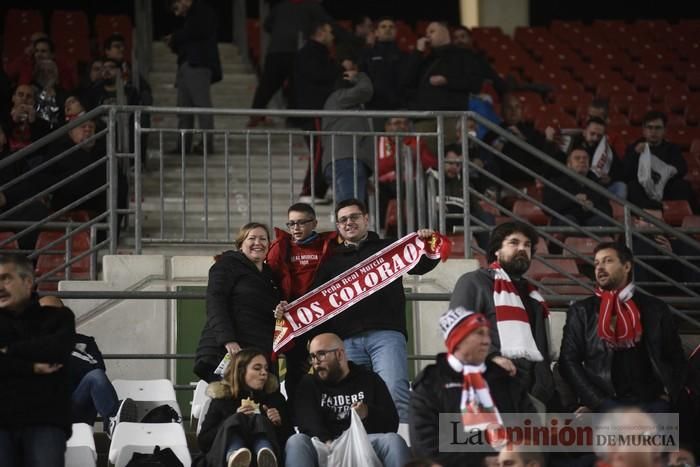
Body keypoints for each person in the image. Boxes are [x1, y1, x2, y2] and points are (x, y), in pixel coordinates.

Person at [309, 198, 440, 422]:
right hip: (347, 341)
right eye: (342, 220)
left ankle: (402, 451)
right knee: (356, 400)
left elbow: (422, 264)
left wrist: (430, 242)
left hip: (386, 335)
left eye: (354, 217)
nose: (348, 223)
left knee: (394, 391)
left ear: (366, 219)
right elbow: (316, 302)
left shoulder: (389, 248)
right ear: (338, 227)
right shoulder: (330, 261)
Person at [558, 242, 687, 413]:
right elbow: (568, 360)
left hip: (652, 403)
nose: (600, 268)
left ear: (626, 266)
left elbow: (676, 356)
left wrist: (668, 395)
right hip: (605, 402)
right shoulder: (581, 311)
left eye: (607, 261)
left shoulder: (655, 308)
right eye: (596, 263)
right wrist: (597, 402)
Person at [448, 221, 555, 413]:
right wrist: (491, 359)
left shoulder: (534, 298)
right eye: (514, 243)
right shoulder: (474, 282)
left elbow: (542, 352)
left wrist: (543, 389)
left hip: (530, 397)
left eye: (527, 245)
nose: (522, 248)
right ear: (496, 250)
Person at [284, 333, 410, 467]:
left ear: (339, 354)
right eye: (312, 356)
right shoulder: (308, 383)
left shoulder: (369, 379)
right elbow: (306, 422)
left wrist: (367, 413)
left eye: (321, 354)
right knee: (296, 441)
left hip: (362, 444)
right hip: (324, 446)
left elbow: (391, 422)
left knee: (394, 441)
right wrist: (327, 442)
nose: (315, 362)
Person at [0, 254, 76, 467]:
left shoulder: (58, 318)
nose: (0, 287)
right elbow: (45, 351)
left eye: (6, 278)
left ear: (27, 282)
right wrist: (31, 366)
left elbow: (56, 351)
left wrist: (9, 351)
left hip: (45, 420)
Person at [266, 203, 337, 416]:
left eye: (301, 223)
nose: (295, 228)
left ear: (314, 223)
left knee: (327, 369)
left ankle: (330, 417)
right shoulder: (281, 248)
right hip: (294, 322)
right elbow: (269, 281)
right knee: (296, 373)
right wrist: (278, 304)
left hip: (324, 320)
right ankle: (298, 419)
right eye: (291, 223)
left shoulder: (329, 245)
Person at [410, 307, 500, 467]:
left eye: (488, 333)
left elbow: (528, 428)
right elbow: (425, 447)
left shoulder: (501, 377)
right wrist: (481, 462)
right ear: (458, 339)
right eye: (479, 333)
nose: (487, 340)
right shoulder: (429, 384)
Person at [194, 223, 281, 382]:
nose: (258, 243)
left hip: (258, 352)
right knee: (229, 400)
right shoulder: (226, 265)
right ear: (241, 244)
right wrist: (228, 340)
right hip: (227, 351)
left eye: (263, 239)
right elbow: (215, 304)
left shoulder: (271, 275)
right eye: (252, 238)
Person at [198, 348, 292, 467]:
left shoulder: (274, 399)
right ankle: (235, 455)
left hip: (262, 460)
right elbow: (204, 442)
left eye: (266, 369)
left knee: (259, 419)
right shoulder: (222, 399)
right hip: (224, 460)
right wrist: (230, 421)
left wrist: (277, 423)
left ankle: (265, 454)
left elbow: (289, 440)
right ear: (241, 371)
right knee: (236, 420)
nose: (264, 372)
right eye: (257, 368)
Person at [246, 0, 331, 128]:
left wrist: (279, 32)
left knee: (266, 85)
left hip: (276, 50)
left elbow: (267, 25)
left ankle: (255, 115)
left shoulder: (281, 6)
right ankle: (293, 120)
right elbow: (327, 24)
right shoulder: (311, 7)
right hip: (296, 52)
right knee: (296, 86)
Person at [166, 0, 222, 154]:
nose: (177, 14)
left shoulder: (203, 11)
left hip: (198, 65)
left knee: (202, 106)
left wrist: (175, 37)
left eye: (176, 8)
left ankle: (206, 144)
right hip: (186, 65)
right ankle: (183, 146)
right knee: (184, 109)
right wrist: (175, 43)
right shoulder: (189, 19)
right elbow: (188, 40)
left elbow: (196, 32)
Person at [293, 19, 338, 203]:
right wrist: (340, 71)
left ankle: (316, 190)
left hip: (315, 108)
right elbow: (319, 76)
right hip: (314, 109)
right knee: (320, 149)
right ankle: (310, 191)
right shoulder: (311, 53)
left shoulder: (316, 52)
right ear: (320, 33)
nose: (332, 36)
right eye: (329, 31)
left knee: (322, 148)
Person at [321, 54, 374, 204]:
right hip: (346, 160)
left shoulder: (343, 103)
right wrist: (359, 76)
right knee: (351, 209)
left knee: (348, 208)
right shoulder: (339, 97)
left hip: (344, 161)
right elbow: (365, 90)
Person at [483, 94, 564, 185]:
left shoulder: (532, 132)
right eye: (509, 107)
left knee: (560, 156)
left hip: (531, 175)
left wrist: (522, 139)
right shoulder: (493, 132)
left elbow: (542, 156)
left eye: (517, 107)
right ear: (502, 111)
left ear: (521, 110)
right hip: (505, 177)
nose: (513, 111)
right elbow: (486, 155)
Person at [623, 111, 693, 210]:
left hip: (665, 186)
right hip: (643, 188)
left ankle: (679, 216)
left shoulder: (672, 148)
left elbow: (682, 168)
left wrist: (663, 174)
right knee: (632, 186)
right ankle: (647, 213)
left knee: (682, 185)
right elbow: (626, 174)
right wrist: (635, 154)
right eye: (650, 127)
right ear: (644, 130)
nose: (653, 131)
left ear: (664, 130)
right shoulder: (634, 148)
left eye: (658, 128)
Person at [377, 116, 438, 229]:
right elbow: (375, 168)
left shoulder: (417, 141)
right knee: (375, 190)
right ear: (387, 127)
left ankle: (418, 231)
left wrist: (417, 156)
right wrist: (394, 160)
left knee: (420, 189)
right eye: (397, 122)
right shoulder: (378, 141)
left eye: (405, 123)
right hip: (386, 186)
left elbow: (432, 163)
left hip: (411, 184)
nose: (402, 126)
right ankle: (379, 231)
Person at [543, 146, 612, 228]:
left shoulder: (597, 184)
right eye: (577, 158)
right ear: (569, 164)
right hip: (568, 221)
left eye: (585, 158)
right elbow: (547, 208)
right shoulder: (556, 182)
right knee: (569, 220)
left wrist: (593, 206)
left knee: (603, 221)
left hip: (592, 223)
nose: (582, 160)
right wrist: (573, 199)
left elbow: (608, 211)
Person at [359, 17, 411, 111]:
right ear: (376, 32)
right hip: (373, 106)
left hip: (398, 107)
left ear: (396, 32)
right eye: (383, 26)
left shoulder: (404, 56)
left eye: (391, 27)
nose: (388, 29)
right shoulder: (367, 54)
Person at [569, 116, 627, 199]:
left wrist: (610, 178)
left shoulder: (607, 150)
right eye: (592, 134)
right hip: (577, 186)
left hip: (600, 188)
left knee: (621, 186)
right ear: (585, 132)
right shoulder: (573, 143)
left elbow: (620, 171)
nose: (595, 138)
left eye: (599, 136)